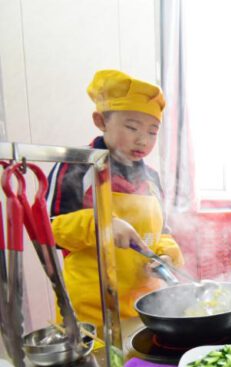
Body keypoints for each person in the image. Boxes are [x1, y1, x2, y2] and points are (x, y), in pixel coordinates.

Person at [47, 69, 183, 325]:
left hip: (145, 309)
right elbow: (49, 230)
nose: (142, 140)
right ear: (101, 121)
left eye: (153, 131)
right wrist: (101, 225)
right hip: (92, 316)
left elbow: (162, 232)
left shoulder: (151, 178)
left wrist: (165, 254)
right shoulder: (78, 166)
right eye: (131, 127)